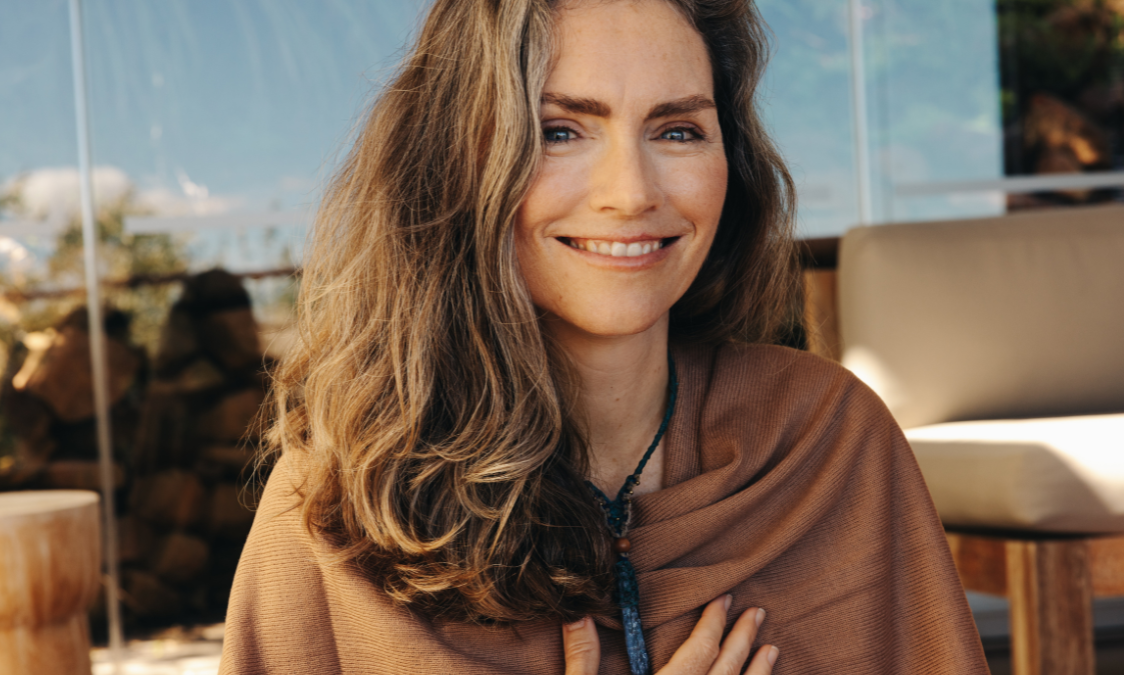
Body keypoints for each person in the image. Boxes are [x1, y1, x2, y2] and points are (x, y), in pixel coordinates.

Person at [220, 0, 990, 673]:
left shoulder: (826, 439)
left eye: (679, 130)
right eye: (561, 130)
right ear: (459, 158)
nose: (631, 192)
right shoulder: (336, 497)